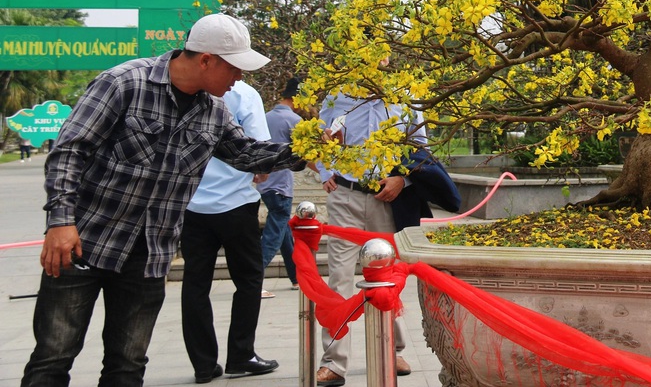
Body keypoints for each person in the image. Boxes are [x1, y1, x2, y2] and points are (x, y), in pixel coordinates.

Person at [21, 13, 304, 387]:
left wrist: (308, 149)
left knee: (128, 364)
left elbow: (246, 154)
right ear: (206, 59)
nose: (239, 79)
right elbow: (69, 151)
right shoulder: (123, 83)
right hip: (83, 243)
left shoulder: (214, 111)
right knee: (53, 357)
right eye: (235, 69)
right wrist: (60, 221)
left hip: (149, 254)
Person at [314, 92, 460, 387]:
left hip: (387, 198)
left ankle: (393, 350)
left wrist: (402, 180)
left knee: (386, 277)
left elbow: (421, 152)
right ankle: (333, 362)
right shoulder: (336, 97)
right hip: (345, 195)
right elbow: (319, 139)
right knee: (339, 279)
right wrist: (324, 170)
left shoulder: (405, 99)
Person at [180, 79, 280, 383]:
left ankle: (203, 364)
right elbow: (259, 150)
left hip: (191, 205)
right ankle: (240, 355)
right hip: (236, 204)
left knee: (195, 283)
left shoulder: (180, 91)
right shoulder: (244, 94)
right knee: (249, 280)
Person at [256, 78, 303, 297]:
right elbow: (306, 154)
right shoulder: (294, 120)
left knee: (283, 232)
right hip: (281, 186)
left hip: (265, 186)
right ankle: (254, 279)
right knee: (273, 235)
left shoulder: (264, 117)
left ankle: (295, 278)